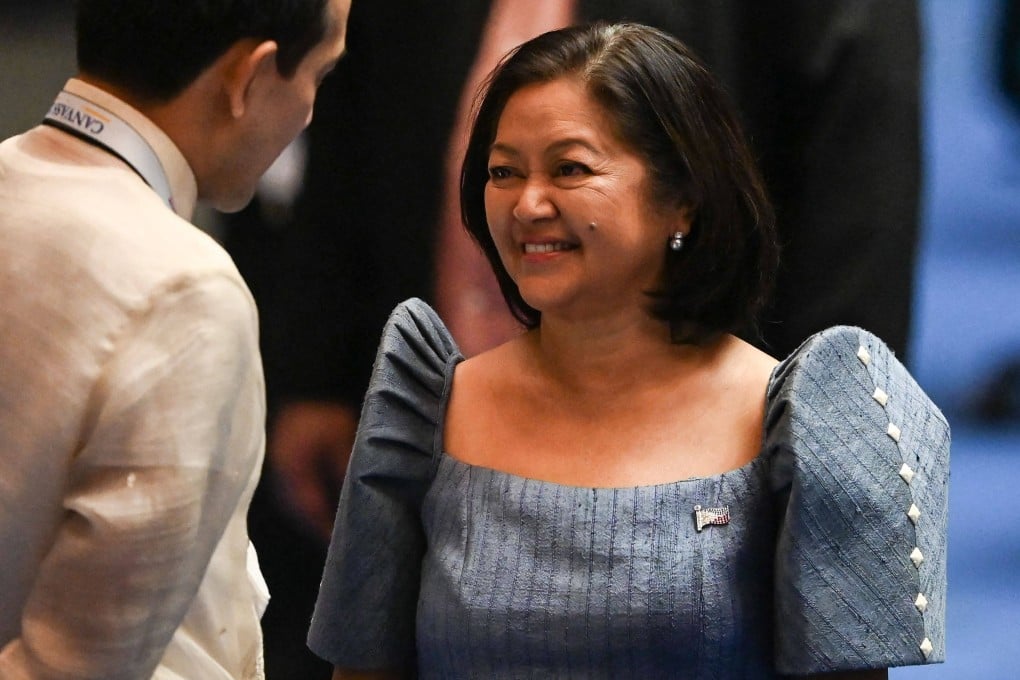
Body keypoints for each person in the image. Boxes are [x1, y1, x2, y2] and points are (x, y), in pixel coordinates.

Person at [307, 23, 949, 678]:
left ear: (684, 201)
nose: (527, 204)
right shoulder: (425, 408)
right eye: (503, 172)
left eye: (570, 169)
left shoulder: (802, 420)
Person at [0, 0, 350, 677]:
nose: (308, 113)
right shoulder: (185, 291)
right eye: (319, 76)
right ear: (246, 79)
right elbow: (81, 667)